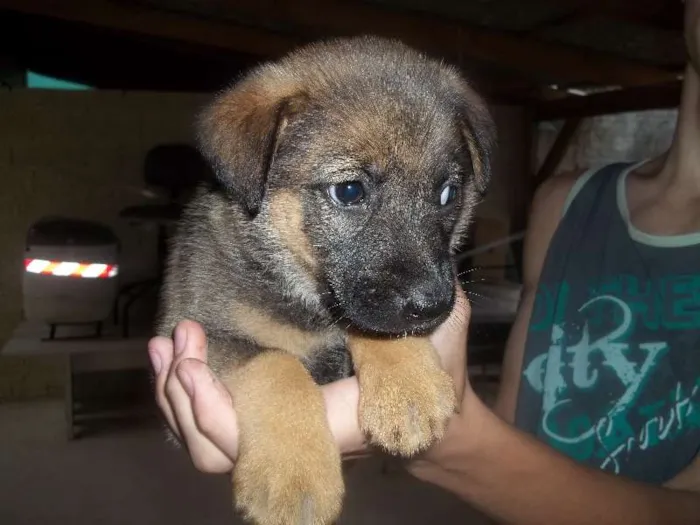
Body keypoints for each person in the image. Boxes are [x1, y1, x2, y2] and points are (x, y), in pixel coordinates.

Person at [147, 1, 700, 522]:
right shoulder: (571, 205)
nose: (427, 284)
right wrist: (278, 397)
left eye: (444, 195)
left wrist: (393, 355)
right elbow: (212, 338)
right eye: (349, 192)